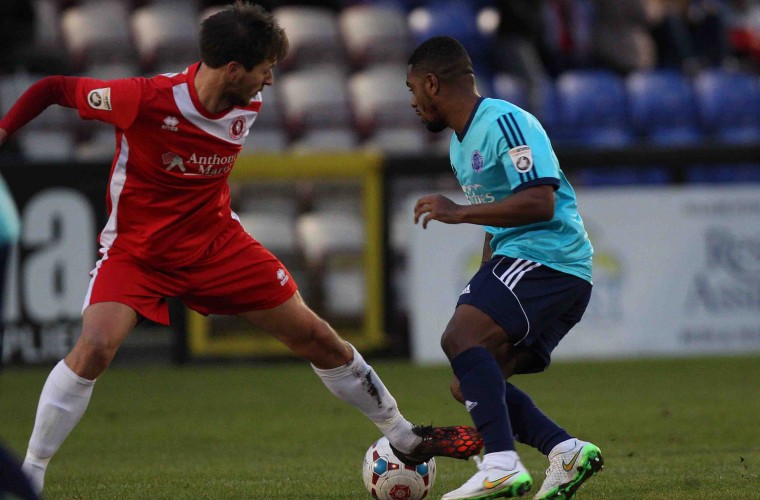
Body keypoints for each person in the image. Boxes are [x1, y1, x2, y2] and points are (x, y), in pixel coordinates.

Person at [0, 3, 483, 495]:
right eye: (265, 70)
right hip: (140, 252)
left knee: (316, 337)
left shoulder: (246, 102)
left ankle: (404, 435)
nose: (270, 82)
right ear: (234, 70)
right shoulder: (143, 99)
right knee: (96, 348)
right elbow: (51, 89)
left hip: (217, 246)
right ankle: (31, 477)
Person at [405, 36, 604, 499]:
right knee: (468, 382)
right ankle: (565, 450)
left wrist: (457, 212)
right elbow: (497, 219)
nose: (412, 102)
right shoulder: (460, 146)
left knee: (458, 339)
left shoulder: (505, 121)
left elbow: (539, 201)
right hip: (526, 263)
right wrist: (483, 276)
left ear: (432, 83)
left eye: (412, 89)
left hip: (550, 259)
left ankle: (499, 464)